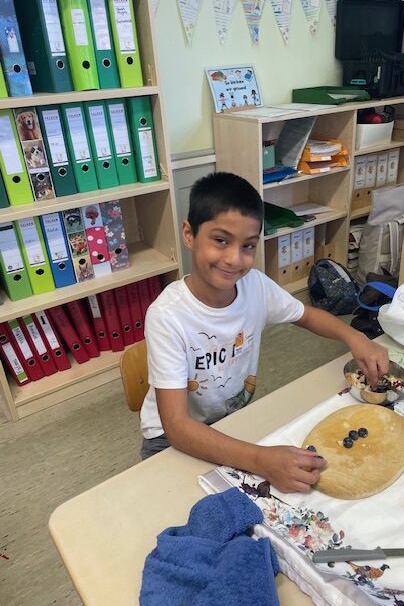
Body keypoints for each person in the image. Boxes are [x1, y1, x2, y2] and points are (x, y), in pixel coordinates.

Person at [140, 172, 389, 493]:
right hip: (170, 438)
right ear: (189, 234)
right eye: (220, 240)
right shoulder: (167, 315)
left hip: (230, 421)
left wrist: (356, 338)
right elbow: (177, 427)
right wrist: (260, 459)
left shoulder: (254, 285)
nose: (234, 259)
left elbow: (307, 315)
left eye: (248, 246)